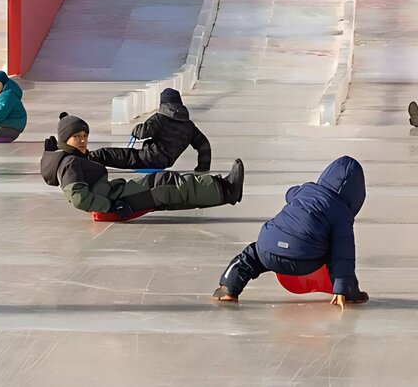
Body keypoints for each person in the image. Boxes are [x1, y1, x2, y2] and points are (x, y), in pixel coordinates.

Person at [213, 156, 368, 308]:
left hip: (267, 248)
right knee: (334, 254)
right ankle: (348, 292)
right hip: (303, 260)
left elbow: (289, 193)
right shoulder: (342, 215)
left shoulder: (306, 191)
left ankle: (228, 288)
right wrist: (342, 289)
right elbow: (343, 255)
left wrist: (300, 193)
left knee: (250, 257)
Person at [39, 113, 244, 218]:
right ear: (66, 139)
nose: (83, 140)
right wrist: (111, 206)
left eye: (84, 136)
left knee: (167, 194)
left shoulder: (74, 157)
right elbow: (78, 199)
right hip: (115, 203)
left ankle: (223, 191)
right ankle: (225, 190)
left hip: (115, 195)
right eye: (77, 137)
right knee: (165, 183)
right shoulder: (70, 163)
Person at [87, 88, 212, 172]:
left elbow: (142, 133)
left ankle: (87, 158)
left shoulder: (160, 118)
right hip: (166, 162)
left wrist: (137, 129)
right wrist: (203, 167)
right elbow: (204, 145)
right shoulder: (189, 126)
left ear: (163, 104)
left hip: (148, 158)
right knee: (126, 156)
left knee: (111, 155)